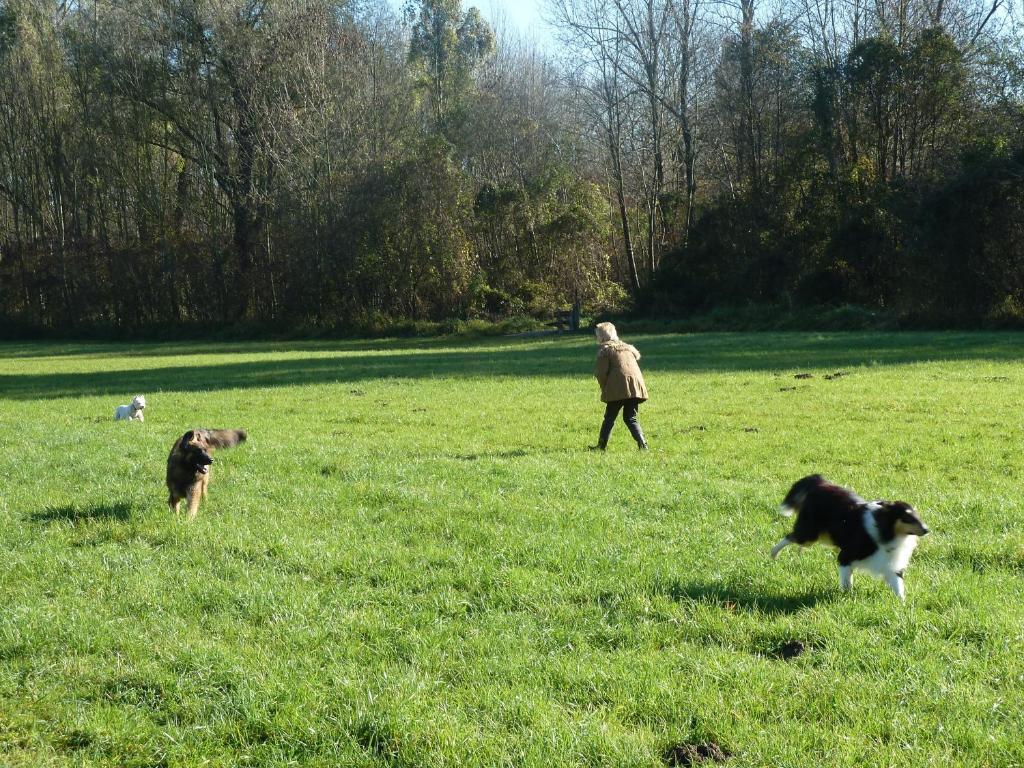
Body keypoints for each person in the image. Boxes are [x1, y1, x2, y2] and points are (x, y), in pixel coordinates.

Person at [592, 321, 648, 450]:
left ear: (601, 336)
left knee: (609, 418)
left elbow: (601, 373)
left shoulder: (604, 350)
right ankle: (643, 444)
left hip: (618, 388)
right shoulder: (628, 348)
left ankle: (601, 446)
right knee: (630, 417)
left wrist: (605, 388)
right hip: (635, 388)